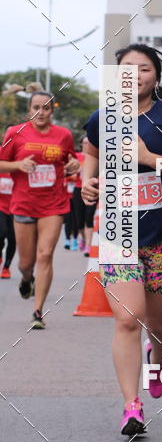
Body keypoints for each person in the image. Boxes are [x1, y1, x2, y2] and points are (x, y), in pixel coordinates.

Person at [82, 44, 162, 436]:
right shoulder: (103, 118)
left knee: (157, 322)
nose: (135, 75)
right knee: (128, 320)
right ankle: (132, 406)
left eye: (143, 68)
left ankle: (159, 356)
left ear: (156, 76)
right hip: (118, 231)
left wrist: (150, 159)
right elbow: (91, 150)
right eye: (127, 68)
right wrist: (87, 182)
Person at [0, 91, 79, 328]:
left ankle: (38, 311)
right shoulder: (15, 132)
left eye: (45, 108)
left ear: (52, 110)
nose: (40, 112)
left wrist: (73, 164)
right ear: (29, 109)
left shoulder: (63, 135)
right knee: (26, 262)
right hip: (24, 202)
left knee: (45, 255)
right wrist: (18, 165)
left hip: (53, 204)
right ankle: (26, 279)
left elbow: (71, 161)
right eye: (36, 107)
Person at [0, 171, 16, 278]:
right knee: (2, 232)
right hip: (1, 207)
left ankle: (6, 267)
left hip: (15, 209)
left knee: (12, 239)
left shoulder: (17, 171)